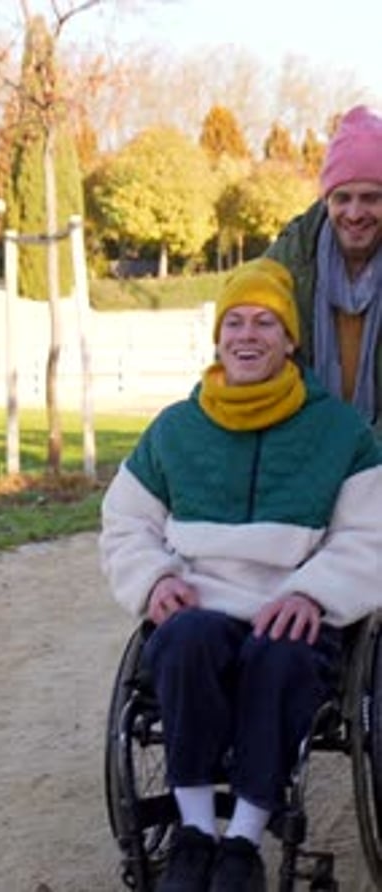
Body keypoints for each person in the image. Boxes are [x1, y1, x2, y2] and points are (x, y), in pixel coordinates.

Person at [99, 257, 382, 892]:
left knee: (280, 657)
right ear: (218, 337)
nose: (247, 335)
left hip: (294, 610)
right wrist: (153, 580)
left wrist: (315, 590)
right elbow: (125, 522)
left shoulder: (340, 432)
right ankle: (197, 833)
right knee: (182, 640)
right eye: (234, 322)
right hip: (200, 609)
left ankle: (245, 843)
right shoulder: (175, 428)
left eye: (263, 323)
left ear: (289, 341)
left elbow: (371, 532)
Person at [266, 105, 382, 439]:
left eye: (371, 198)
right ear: (326, 200)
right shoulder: (290, 257)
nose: (355, 213)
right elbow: (240, 338)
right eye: (342, 198)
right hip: (304, 450)